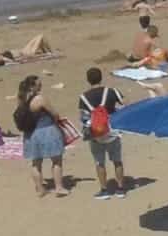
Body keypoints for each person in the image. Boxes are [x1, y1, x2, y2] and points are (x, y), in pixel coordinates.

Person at [78, 67, 129, 199]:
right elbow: (125, 106)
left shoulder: (83, 97)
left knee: (99, 162)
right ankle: (120, 189)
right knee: (117, 161)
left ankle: (104, 190)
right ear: (101, 77)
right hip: (113, 131)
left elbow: (84, 118)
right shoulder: (112, 91)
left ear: (88, 80)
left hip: (96, 134)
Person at [14, 75, 67, 198]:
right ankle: (59, 187)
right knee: (56, 160)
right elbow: (55, 114)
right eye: (39, 84)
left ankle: (40, 189)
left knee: (36, 163)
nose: (41, 86)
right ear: (33, 86)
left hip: (30, 134)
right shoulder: (40, 98)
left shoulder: (21, 98)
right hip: (46, 131)